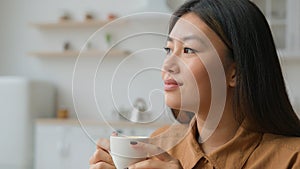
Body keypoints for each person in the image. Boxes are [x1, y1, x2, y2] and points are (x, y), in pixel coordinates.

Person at [89, 0, 300, 168]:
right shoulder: (159, 146)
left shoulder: (292, 158)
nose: (167, 65)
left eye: (188, 50)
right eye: (169, 49)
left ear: (235, 72)